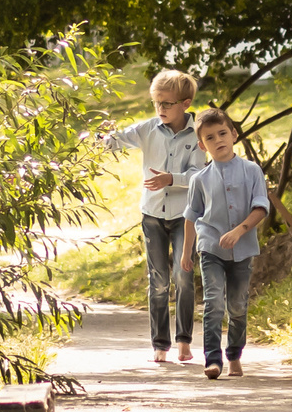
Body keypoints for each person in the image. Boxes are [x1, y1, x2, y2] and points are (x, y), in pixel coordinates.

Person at [101, 69, 204, 363]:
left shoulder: (197, 134)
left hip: (185, 216)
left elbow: (199, 175)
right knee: (158, 281)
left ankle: (184, 341)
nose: (161, 109)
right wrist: (99, 134)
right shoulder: (148, 128)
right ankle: (161, 344)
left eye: (167, 104)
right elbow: (116, 141)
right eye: (157, 103)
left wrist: (171, 179)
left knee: (183, 276)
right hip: (152, 216)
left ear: (185, 103)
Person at [179, 107, 271, 380]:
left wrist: (240, 231)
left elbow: (261, 208)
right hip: (211, 249)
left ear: (233, 134)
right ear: (202, 145)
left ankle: (234, 355)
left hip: (242, 250)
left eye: (222, 133)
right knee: (213, 303)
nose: (218, 140)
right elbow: (191, 216)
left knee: (238, 305)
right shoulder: (200, 179)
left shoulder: (252, 170)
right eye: (210, 138)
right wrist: (187, 254)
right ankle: (213, 360)